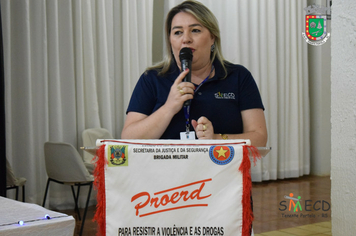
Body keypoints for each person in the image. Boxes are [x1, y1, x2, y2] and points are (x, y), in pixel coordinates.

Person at [121, 0, 267, 147]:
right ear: (170, 41)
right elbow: (128, 139)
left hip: (221, 169)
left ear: (212, 38)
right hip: (164, 169)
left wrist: (216, 139)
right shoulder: (152, 78)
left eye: (195, 30)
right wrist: (168, 108)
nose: (186, 39)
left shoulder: (238, 76)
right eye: (178, 32)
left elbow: (259, 138)